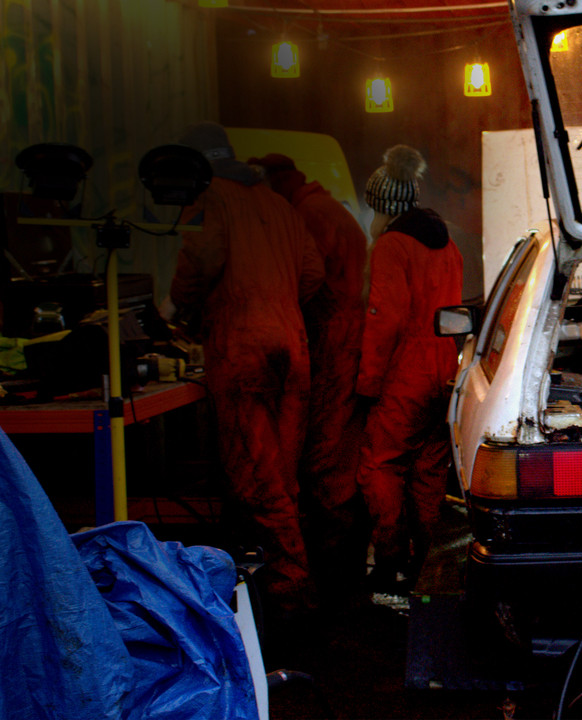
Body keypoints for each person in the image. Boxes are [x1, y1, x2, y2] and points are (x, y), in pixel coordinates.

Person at [167, 122, 325, 623]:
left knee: (256, 476)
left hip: (243, 350)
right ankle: (279, 584)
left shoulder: (211, 199)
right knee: (282, 473)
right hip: (290, 347)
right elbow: (312, 273)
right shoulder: (278, 203)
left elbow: (202, 258)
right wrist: (277, 307)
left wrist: (179, 309)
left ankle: (288, 595)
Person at [250, 153, 370, 609]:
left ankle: (336, 578)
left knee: (327, 459)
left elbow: (310, 277)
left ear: (278, 182)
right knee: (338, 451)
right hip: (342, 340)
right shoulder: (325, 207)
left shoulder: (307, 214)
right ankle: (344, 571)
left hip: (333, 342)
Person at [357, 144, 463, 591]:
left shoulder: (391, 247)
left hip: (405, 373)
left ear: (382, 207)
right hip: (444, 369)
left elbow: (386, 320)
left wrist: (367, 382)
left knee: (380, 465)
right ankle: (428, 562)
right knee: (428, 471)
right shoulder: (448, 244)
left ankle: (389, 561)